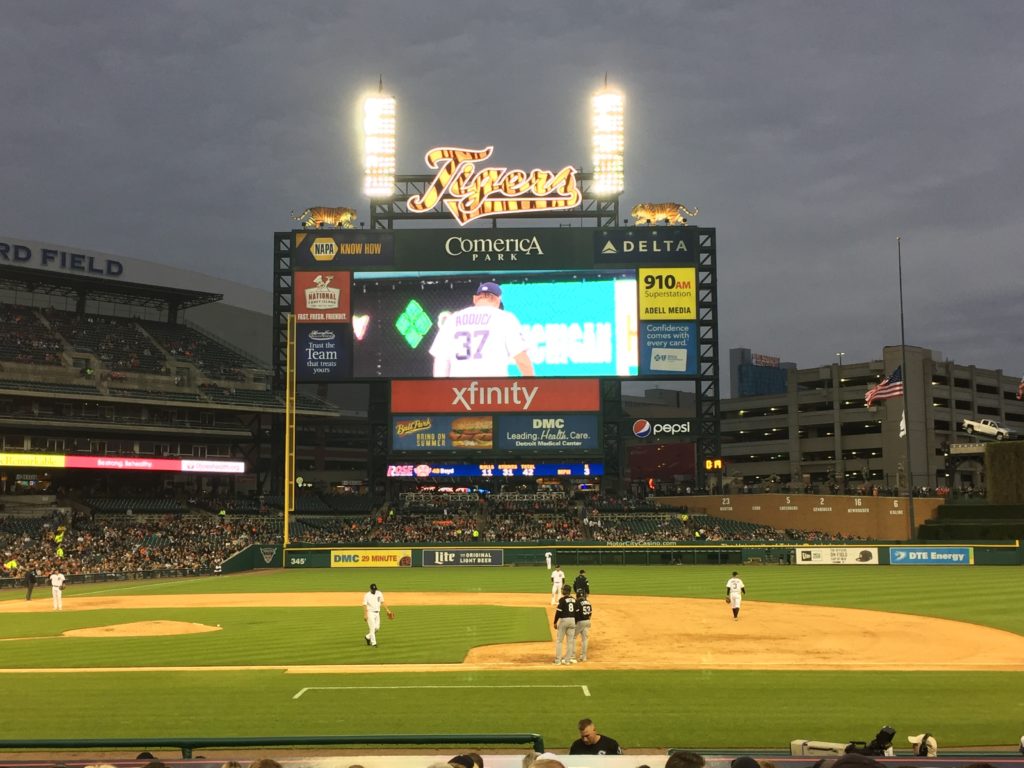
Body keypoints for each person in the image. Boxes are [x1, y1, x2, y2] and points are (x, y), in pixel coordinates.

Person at [428, 281, 534, 377]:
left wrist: (441, 390)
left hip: (459, 390)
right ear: (498, 300)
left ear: (475, 299)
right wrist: (532, 388)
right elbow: (522, 360)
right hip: (493, 389)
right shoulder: (504, 318)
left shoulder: (452, 320)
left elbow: (441, 362)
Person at [362, 582, 393, 647]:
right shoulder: (367, 595)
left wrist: (387, 610)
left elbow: (382, 602)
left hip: (377, 613)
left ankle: (367, 637)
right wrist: (365, 614)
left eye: (375, 589)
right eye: (373, 589)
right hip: (370, 613)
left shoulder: (379, 593)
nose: (374, 590)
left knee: (377, 628)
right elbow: (364, 605)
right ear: (370, 589)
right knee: (372, 628)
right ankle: (374, 643)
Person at [552, 584, 576, 665]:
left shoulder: (562, 600)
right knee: (570, 642)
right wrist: (574, 621)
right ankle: (567, 661)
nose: (562, 591)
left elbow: (558, 612)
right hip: (572, 620)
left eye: (563, 590)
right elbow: (576, 612)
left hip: (564, 621)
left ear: (566, 591)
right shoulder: (574, 599)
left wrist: (555, 622)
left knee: (559, 641)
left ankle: (558, 660)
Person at [574, 590, 592, 662]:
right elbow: (590, 614)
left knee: (572, 637)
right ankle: (583, 657)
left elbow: (577, 614)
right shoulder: (588, 602)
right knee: (585, 639)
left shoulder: (577, 602)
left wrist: (575, 622)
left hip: (580, 622)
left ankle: (572, 656)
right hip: (587, 621)